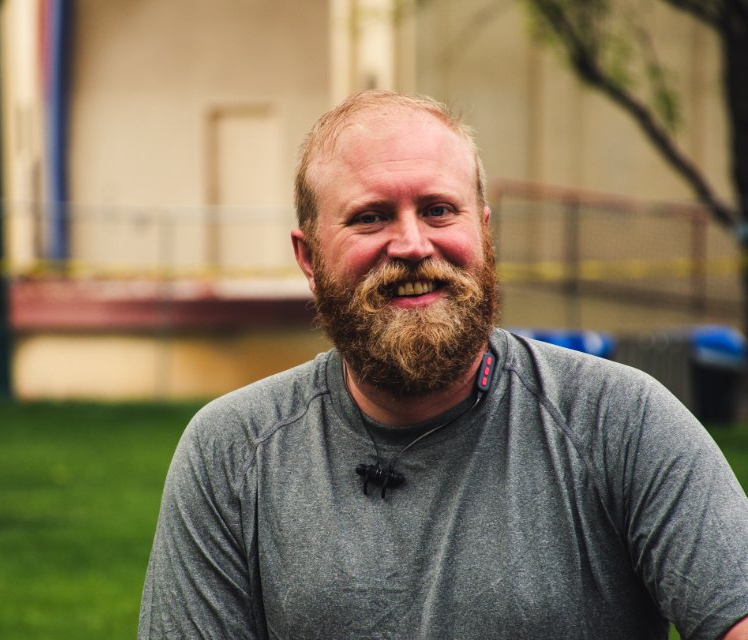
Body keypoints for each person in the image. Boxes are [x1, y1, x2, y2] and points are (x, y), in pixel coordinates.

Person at [138, 90, 748, 639]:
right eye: (370, 216)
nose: (412, 245)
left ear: (483, 233)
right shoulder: (232, 455)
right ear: (309, 256)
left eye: (438, 210)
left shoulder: (623, 423)